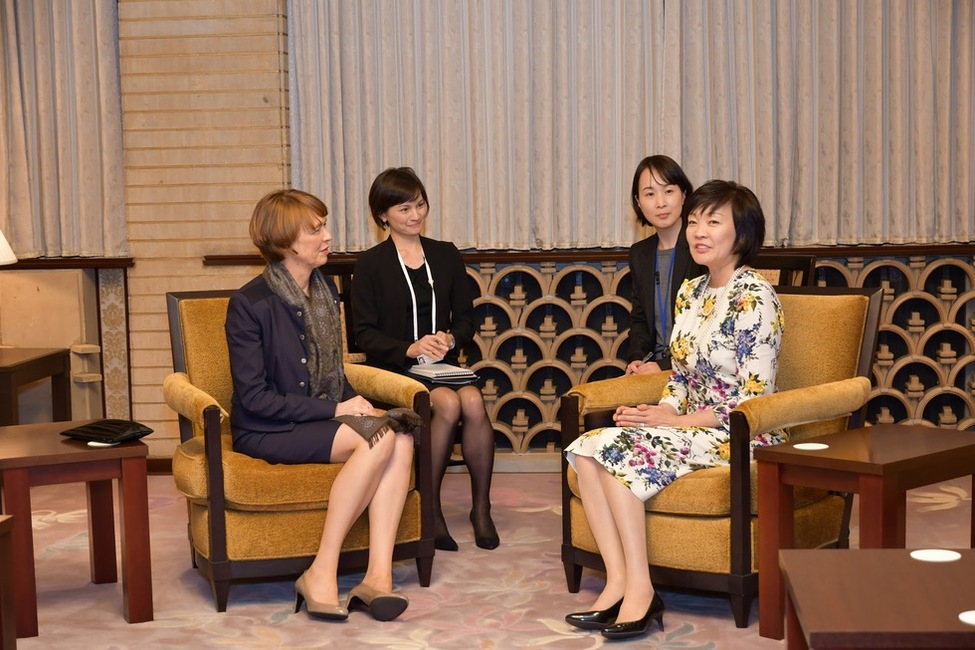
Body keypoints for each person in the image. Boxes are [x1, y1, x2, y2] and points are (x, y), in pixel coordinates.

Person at [563, 180, 785, 641]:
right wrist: (658, 410)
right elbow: (682, 377)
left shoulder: (756, 297)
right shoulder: (691, 291)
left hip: (743, 432)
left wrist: (675, 421)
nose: (698, 231)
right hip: (691, 426)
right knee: (586, 448)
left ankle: (642, 591)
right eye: (695, 221)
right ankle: (620, 580)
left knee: (617, 455)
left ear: (741, 234)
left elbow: (754, 400)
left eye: (713, 221)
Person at [226, 189, 416, 623]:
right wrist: (338, 411)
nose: (328, 236)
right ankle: (322, 571)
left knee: (401, 438)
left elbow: (330, 371)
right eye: (315, 230)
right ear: (284, 242)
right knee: (381, 437)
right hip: (268, 428)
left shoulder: (325, 291)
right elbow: (255, 398)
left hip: (317, 417)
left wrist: (351, 402)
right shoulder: (250, 304)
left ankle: (378, 579)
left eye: (324, 225)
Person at [351, 166, 500, 552]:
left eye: (419, 205)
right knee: (449, 404)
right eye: (404, 209)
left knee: (472, 399)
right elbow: (363, 334)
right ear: (383, 215)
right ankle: (430, 510)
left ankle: (481, 508)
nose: (415, 215)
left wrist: (450, 337)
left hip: (441, 367)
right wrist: (411, 348)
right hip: (395, 368)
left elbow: (467, 318)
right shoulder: (370, 264)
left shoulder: (445, 254)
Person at [625, 155, 703, 375]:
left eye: (668, 191)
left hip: (693, 370)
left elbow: (705, 329)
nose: (660, 202)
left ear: (684, 194)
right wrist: (636, 358)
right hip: (650, 369)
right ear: (639, 202)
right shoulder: (641, 254)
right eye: (650, 194)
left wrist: (662, 366)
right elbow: (640, 320)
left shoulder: (702, 248)